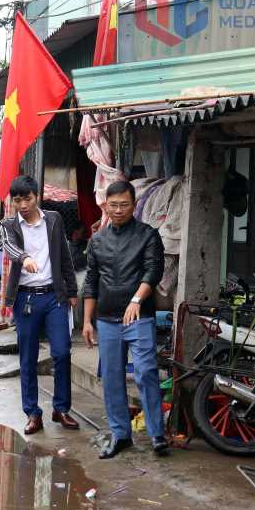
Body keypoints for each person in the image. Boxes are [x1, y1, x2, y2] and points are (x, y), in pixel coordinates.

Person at [82, 180, 167, 459]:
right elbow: (91, 282)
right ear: (105, 206)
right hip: (107, 320)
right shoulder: (97, 241)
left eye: (124, 205)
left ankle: (157, 434)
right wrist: (87, 321)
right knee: (112, 378)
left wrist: (136, 300)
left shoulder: (148, 235)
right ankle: (120, 435)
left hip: (139, 318)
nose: (118, 210)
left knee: (146, 372)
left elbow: (153, 271)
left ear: (134, 205)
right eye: (113, 205)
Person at [1, 175, 79, 435]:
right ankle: (33, 413)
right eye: (17, 200)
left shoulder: (54, 219)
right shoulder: (8, 224)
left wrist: (72, 290)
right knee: (28, 357)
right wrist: (24, 258)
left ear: (37, 196)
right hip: (26, 299)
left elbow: (64, 256)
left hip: (54, 297)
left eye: (27, 199)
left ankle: (61, 408)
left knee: (62, 352)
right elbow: (9, 247)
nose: (23, 205)